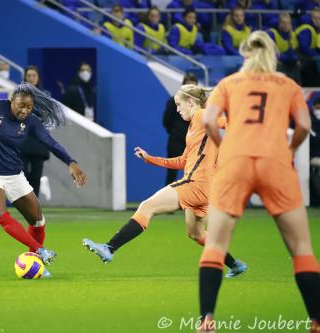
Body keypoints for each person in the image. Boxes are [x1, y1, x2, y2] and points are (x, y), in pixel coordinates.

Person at [198, 31, 320, 332]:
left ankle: (206, 320)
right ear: (273, 55)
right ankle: (316, 321)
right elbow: (304, 125)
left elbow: (209, 121)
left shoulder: (228, 84)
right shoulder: (288, 85)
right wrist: (290, 150)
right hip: (275, 162)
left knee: (214, 243)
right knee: (301, 247)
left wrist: (223, 146)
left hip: (235, 162)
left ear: (244, 55)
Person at [82, 84, 247, 279]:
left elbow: (227, 123)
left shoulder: (201, 115)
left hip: (196, 183)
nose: (177, 109)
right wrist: (150, 158)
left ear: (191, 102)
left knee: (146, 206)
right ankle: (235, 265)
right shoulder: (195, 126)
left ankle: (109, 247)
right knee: (197, 234)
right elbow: (182, 161)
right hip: (204, 187)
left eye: (179, 105)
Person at [0, 83, 87, 278]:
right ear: (11, 102)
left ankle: (35, 263)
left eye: (29, 107)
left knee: (38, 222)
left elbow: (50, 142)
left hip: (14, 176)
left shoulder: (31, 122)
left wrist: (71, 162)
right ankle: (39, 250)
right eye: (20, 105)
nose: (24, 110)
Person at [20, 66, 51, 197]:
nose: (31, 78)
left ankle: (34, 201)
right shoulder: (18, 94)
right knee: (22, 171)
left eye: (34, 75)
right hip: (23, 137)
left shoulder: (45, 95)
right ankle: (23, 199)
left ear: (38, 78)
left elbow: (47, 114)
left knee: (36, 171)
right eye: (29, 76)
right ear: (25, 78)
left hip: (39, 138)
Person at [162, 72, 198, 186]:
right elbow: (166, 121)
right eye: (188, 86)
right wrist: (177, 133)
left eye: (193, 86)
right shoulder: (174, 101)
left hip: (194, 143)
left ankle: (190, 202)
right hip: (176, 142)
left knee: (195, 173)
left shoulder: (200, 104)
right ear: (183, 86)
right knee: (172, 173)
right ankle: (168, 202)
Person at [267, 12, 301, 82]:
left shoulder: (293, 35)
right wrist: (283, 57)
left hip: (287, 61)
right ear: (279, 23)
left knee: (297, 64)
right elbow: (270, 52)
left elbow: (294, 51)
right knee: (280, 65)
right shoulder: (272, 33)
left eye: (288, 23)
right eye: (283, 22)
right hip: (274, 60)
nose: (286, 25)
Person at [295, 8, 320, 86]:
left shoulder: (315, 30)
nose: (317, 20)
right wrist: (317, 56)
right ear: (311, 18)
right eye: (315, 18)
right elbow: (304, 47)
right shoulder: (307, 28)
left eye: (319, 18)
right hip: (301, 59)